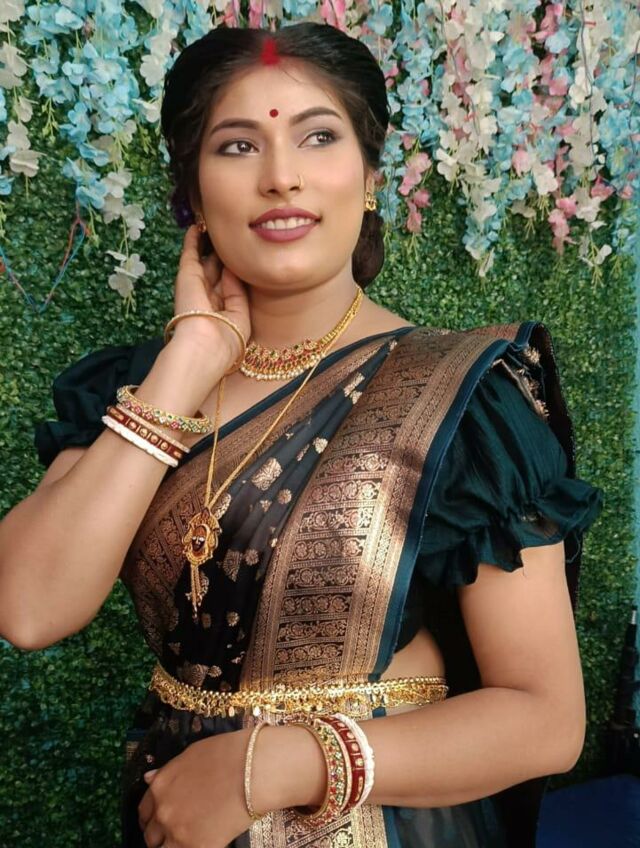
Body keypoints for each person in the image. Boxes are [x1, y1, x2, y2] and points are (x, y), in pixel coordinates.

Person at [0, 22, 604, 848]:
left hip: (389, 826)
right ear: (192, 191)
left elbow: (545, 720)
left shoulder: (462, 398)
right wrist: (190, 360)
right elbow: (28, 609)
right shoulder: (137, 388)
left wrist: (274, 768)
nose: (281, 177)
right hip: (173, 820)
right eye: (237, 146)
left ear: (370, 177)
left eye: (318, 137)